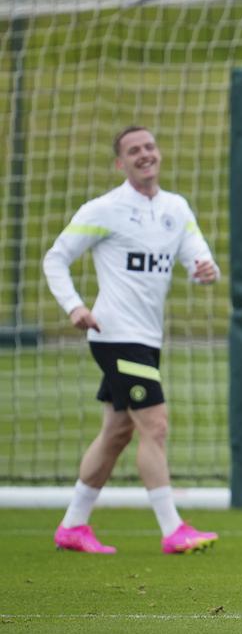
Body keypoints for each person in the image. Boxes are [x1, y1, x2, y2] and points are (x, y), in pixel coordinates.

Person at [43, 125, 220, 555]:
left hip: (145, 337)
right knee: (155, 426)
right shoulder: (105, 209)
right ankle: (172, 528)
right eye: (134, 150)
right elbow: (56, 258)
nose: (145, 154)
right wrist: (74, 307)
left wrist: (204, 271)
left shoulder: (176, 208)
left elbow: (197, 257)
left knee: (117, 432)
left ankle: (72, 526)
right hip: (115, 334)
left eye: (150, 146)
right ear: (121, 163)